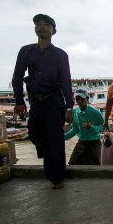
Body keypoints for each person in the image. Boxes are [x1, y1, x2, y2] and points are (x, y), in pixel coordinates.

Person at [12, 14, 73, 189]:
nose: (41, 27)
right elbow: (17, 76)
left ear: (53, 31)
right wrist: (19, 100)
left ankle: (57, 177)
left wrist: (69, 107)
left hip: (54, 100)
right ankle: (50, 167)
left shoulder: (60, 55)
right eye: (38, 24)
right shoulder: (26, 51)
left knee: (55, 137)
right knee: (36, 133)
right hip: (35, 100)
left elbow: (66, 82)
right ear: (34, 29)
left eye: (46, 24)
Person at [64, 89, 104, 165]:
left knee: (95, 166)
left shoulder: (95, 112)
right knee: (73, 163)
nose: (79, 101)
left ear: (87, 99)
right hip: (82, 142)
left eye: (82, 98)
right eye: (77, 99)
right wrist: (63, 137)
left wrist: (92, 127)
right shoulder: (75, 112)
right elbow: (74, 130)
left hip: (94, 143)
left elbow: (104, 127)